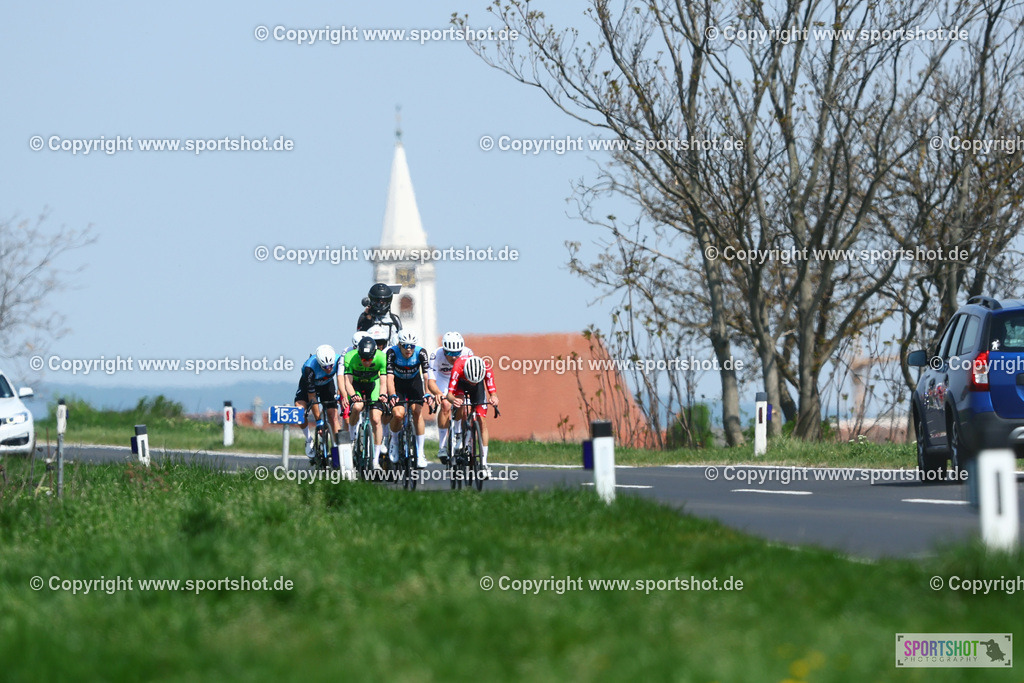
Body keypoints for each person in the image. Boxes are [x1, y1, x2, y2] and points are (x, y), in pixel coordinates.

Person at [443, 354, 499, 475]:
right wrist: (454, 400)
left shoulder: (486, 368)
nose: (472, 383)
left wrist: (494, 398)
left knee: (481, 420)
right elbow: (449, 394)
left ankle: (484, 464)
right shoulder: (458, 367)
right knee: (460, 403)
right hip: (461, 384)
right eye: (471, 380)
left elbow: (492, 391)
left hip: (478, 388)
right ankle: (458, 435)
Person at [385, 330, 432, 468]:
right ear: (399, 344)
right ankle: (393, 442)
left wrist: (428, 392)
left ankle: (421, 452)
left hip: (414, 383)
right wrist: (392, 394)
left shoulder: (421, 352)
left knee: (417, 412)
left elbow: (426, 376)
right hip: (397, 384)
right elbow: (389, 377)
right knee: (398, 414)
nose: (409, 349)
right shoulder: (392, 353)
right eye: (405, 346)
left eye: (411, 346)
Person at [426, 331, 474, 462]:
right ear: (444, 350)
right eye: (450, 353)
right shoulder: (436, 355)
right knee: (446, 405)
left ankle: (460, 436)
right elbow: (431, 382)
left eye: (457, 353)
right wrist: (438, 394)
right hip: (443, 380)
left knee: (464, 407)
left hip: (459, 380)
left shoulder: (468, 354)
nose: (453, 357)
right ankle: (442, 445)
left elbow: (473, 376)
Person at [343, 336, 388, 471]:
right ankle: (352, 437)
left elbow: (384, 381)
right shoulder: (350, 357)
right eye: (363, 359)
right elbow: (348, 383)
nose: (366, 362)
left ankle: (375, 461)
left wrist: (383, 394)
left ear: (374, 355)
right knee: (357, 407)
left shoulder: (381, 357)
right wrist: (353, 396)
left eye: (369, 359)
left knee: (375, 418)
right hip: (356, 385)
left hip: (373, 384)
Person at [294, 344, 343, 459]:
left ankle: (337, 450)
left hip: (327, 385)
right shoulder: (309, 368)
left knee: (333, 416)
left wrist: (340, 394)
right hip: (309, 387)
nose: (329, 369)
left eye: (331, 366)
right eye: (325, 367)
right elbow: (312, 397)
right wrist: (318, 421)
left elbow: (342, 379)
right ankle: (308, 439)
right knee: (299, 411)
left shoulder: (339, 360)